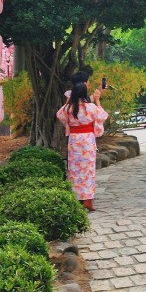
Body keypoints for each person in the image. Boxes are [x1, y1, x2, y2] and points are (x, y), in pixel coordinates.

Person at [56, 82, 107, 212]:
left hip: (74, 140)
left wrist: (69, 101)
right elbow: (102, 116)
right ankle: (88, 200)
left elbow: (59, 115)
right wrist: (97, 100)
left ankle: (76, 197)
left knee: (74, 169)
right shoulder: (90, 107)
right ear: (84, 93)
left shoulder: (68, 108)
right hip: (87, 140)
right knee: (88, 170)